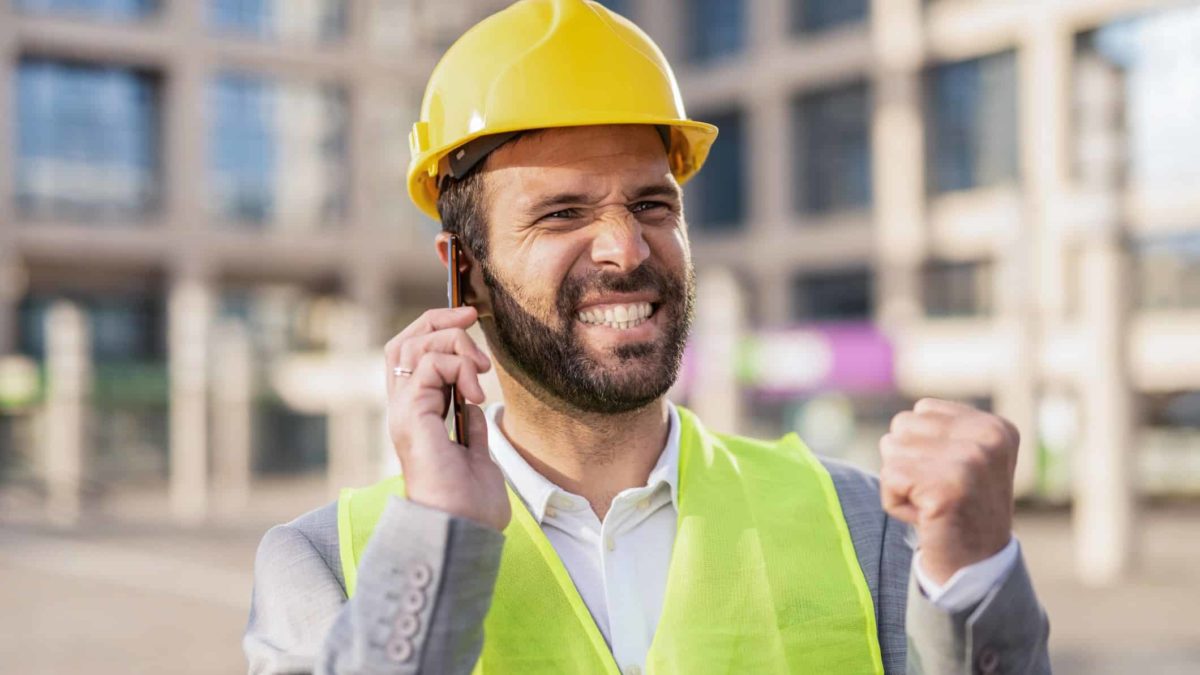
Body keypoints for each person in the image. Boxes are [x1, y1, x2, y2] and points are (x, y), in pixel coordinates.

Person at [243, 1, 1051, 673]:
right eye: (562, 213)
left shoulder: (863, 524)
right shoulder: (328, 566)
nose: (626, 250)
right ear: (467, 274)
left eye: (652, 206)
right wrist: (438, 541)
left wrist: (976, 572)